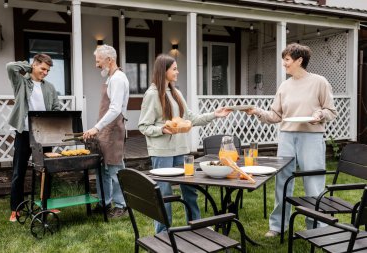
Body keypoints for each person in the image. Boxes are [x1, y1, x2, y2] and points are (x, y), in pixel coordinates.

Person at [246, 43, 337, 237]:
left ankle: (316, 227)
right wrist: (258, 112)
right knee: (283, 181)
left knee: (313, 182)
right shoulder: (284, 86)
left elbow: (331, 111)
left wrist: (320, 114)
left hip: (311, 137)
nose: (284, 63)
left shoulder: (319, 82)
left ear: (299, 60)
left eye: (287, 59)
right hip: (286, 136)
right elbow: (276, 115)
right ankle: (278, 226)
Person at [138, 54, 232, 233]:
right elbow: (143, 126)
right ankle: (163, 234)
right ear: (163, 70)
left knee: (190, 190)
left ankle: (197, 227)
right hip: (162, 152)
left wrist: (214, 115)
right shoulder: (151, 95)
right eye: (174, 68)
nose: (177, 71)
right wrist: (162, 130)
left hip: (181, 151)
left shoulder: (176, 93)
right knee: (164, 195)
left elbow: (191, 118)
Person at [7, 54, 61, 222]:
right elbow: (10, 67)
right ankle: (16, 209)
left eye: (48, 70)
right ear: (34, 65)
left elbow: (56, 107)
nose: (45, 72)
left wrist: (56, 117)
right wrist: (29, 67)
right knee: (19, 171)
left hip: (44, 134)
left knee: (46, 171)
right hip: (24, 133)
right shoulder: (21, 82)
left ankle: (45, 203)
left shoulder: (50, 87)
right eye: (42, 68)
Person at [83, 44, 129, 219]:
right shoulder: (110, 78)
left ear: (109, 60)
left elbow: (115, 109)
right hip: (105, 131)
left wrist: (96, 127)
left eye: (98, 61)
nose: (96, 65)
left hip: (114, 131)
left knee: (116, 170)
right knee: (102, 168)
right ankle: (104, 202)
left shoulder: (118, 78)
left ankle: (121, 205)